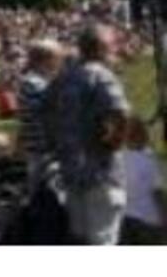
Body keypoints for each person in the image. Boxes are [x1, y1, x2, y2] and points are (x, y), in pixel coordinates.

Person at [45, 24, 130, 245]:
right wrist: (114, 143)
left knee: (81, 238)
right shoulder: (101, 75)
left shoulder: (61, 78)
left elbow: (46, 113)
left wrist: (58, 144)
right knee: (103, 239)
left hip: (70, 172)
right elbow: (121, 113)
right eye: (113, 45)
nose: (115, 50)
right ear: (101, 48)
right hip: (100, 174)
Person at [17, 39, 61, 193]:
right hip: (42, 149)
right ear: (46, 60)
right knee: (42, 196)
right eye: (57, 58)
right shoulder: (33, 83)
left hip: (43, 148)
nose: (59, 64)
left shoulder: (39, 81)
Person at [120, 116, 167, 245]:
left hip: (122, 220)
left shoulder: (116, 159)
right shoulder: (148, 161)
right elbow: (157, 193)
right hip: (148, 220)